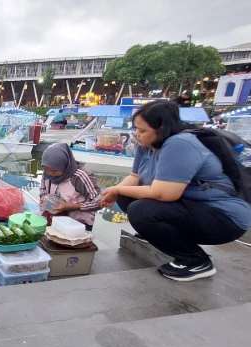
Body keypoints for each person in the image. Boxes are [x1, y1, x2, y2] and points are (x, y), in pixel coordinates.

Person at [99, 101, 251, 281]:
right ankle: (157, 234)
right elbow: (134, 177)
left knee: (140, 211)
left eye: (142, 130)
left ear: (161, 128)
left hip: (224, 218)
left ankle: (196, 261)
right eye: (136, 129)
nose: (136, 134)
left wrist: (117, 188)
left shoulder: (180, 144)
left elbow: (165, 193)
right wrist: (114, 192)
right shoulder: (146, 145)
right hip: (193, 207)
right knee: (125, 194)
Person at [40, 143, 101, 231]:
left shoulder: (80, 176)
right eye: (46, 169)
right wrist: (43, 197)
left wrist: (69, 206)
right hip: (54, 216)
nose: (50, 174)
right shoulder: (47, 171)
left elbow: (99, 202)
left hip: (78, 222)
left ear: (64, 165)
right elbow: (43, 189)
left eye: (54, 171)